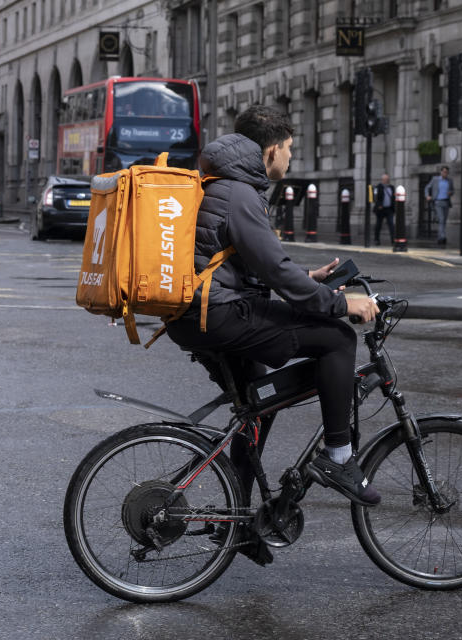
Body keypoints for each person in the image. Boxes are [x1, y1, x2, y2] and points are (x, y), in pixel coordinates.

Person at [164, 105, 381, 560]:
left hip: (200, 314)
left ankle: (236, 527)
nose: (291, 158)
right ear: (269, 151)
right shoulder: (241, 193)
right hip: (218, 315)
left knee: (256, 406)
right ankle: (339, 458)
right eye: (289, 149)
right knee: (338, 339)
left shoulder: (224, 184)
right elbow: (272, 268)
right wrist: (341, 304)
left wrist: (310, 279)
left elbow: (242, 264)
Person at [424, 165, 454, 246]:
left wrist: (451, 192)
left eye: (446, 172)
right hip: (437, 202)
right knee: (441, 219)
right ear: (441, 172)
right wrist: (427, 196)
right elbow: (427, 187)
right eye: (444, 172)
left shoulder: (449, 181)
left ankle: (440, 237)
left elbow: (452, 190)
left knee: (443, 221)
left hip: (446, 202)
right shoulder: (435, 179)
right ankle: (442, 237)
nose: (445, 173)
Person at [373, 173, 395, 246]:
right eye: (384, 179)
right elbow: (375, 197)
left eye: (387, 179)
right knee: (378, 225)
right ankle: (376, 240)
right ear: (382, 180)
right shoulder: (378, 187)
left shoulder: (391, 187)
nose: (386, 180)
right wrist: (379, 205)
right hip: (380, 210)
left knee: (391, 225)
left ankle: (393, 240)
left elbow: (393, 198)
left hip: (389, 209)